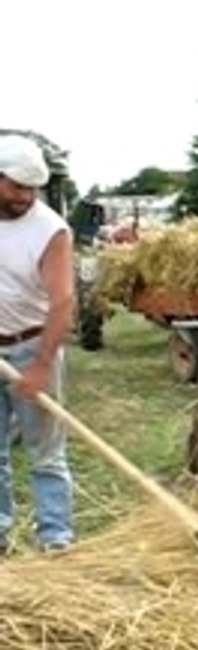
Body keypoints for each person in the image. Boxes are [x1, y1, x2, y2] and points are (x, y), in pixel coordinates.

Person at [0, 134, 76, 553]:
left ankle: (55, 538)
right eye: (16, 186)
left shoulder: (50, 231)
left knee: (46, 454)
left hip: (33, 345)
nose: (26, 197)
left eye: (33, 188)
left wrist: (42, 365)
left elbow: (62, 300)